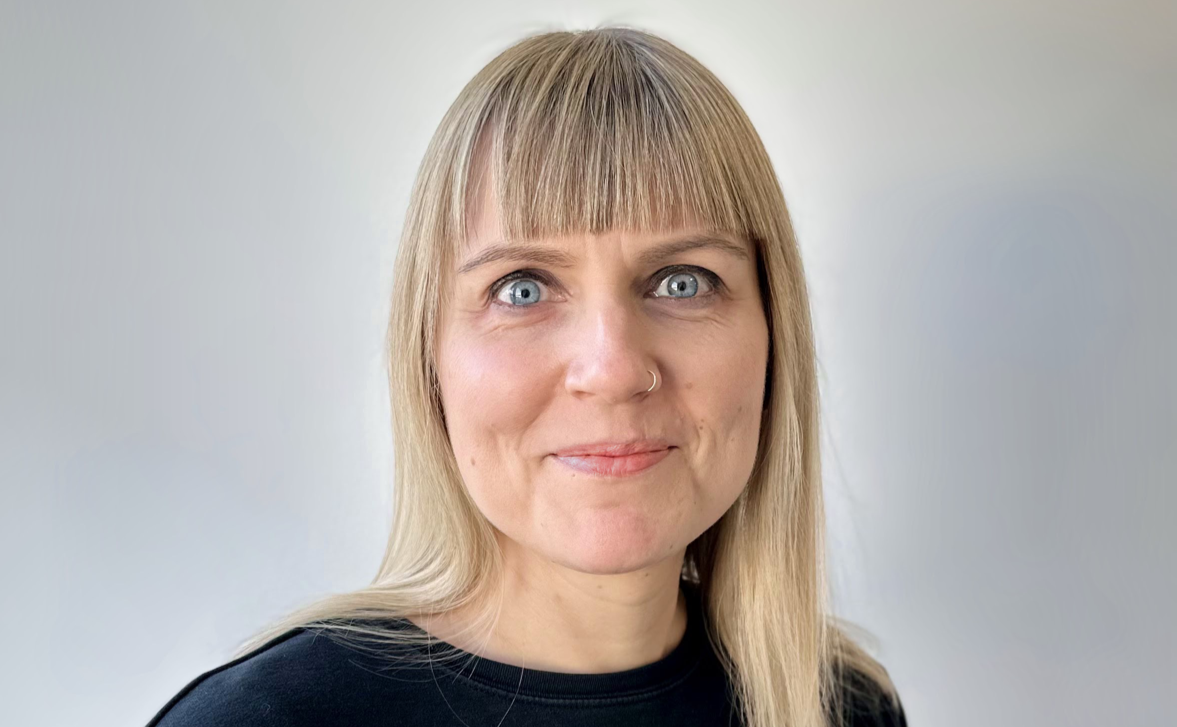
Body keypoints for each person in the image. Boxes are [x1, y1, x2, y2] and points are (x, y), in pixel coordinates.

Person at [146, 25, 908, 727]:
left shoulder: (839, 707)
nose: (611, 369)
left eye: (682, 281)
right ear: (429, 360)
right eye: (522, 288)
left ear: (774, 335)